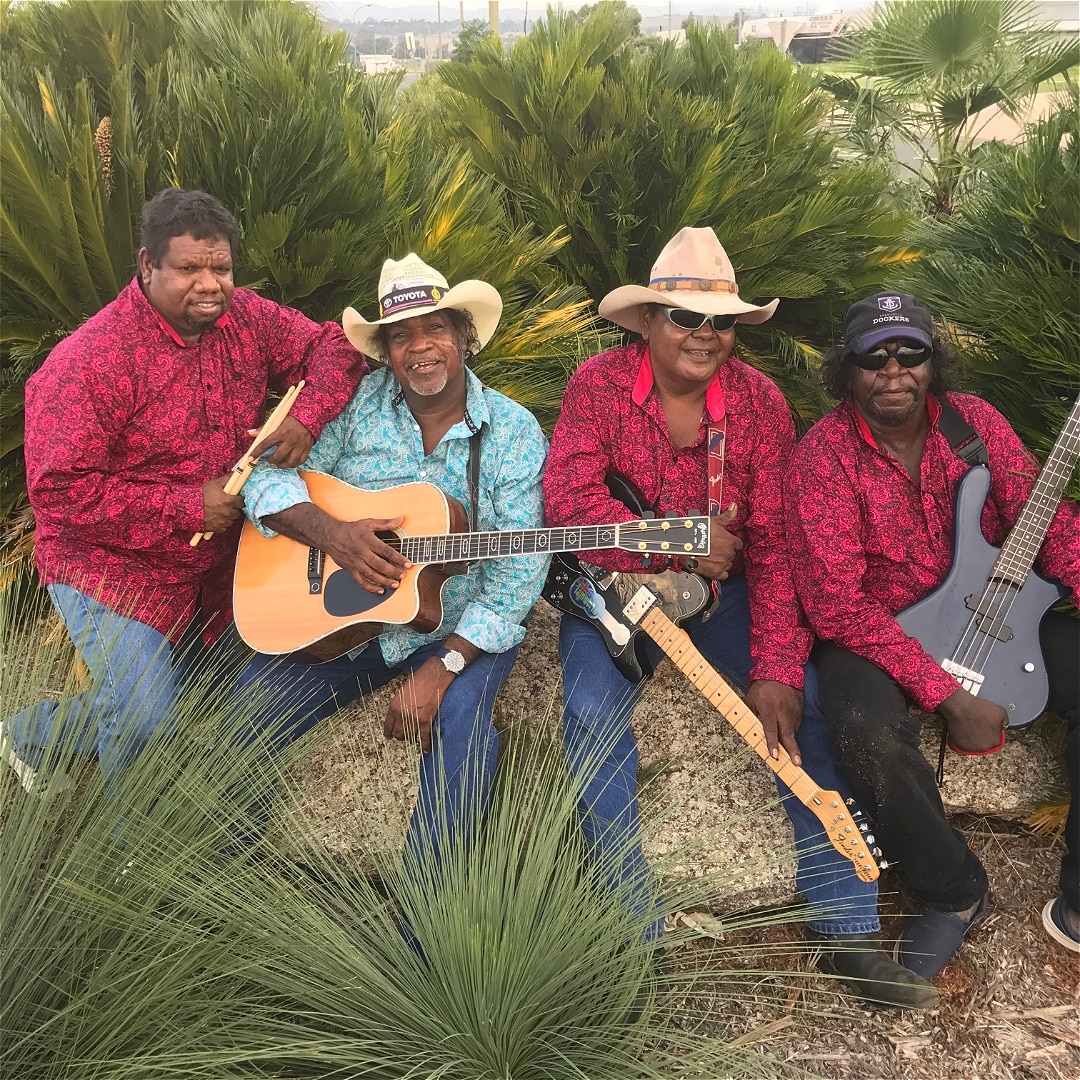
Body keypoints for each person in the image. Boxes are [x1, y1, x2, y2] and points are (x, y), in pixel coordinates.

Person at [542, 228, 938, 1008]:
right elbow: (567, 504)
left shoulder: (757, 404)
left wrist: (778, 668)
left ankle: (844, 928)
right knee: (589, 719)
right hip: (617, 592)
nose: (705, 337)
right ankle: (631, 935)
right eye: (687, 320)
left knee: (807, 719)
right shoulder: (596, 385)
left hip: (723, 601)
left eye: (721, 322)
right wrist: (682, 542)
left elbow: (778, 546)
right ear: (649, 322)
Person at [2, 187, 366, 793]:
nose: (209, 284)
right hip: (110, 564)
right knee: (146, 714)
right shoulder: (88, 362)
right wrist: (185, 505)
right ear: (147, 267)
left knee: (227, 699)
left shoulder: (245, 318)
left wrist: (308, 415)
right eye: (188, 268)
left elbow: (331, 346)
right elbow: (58, 492)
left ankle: (72, 758)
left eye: (220, 268)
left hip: (217, 562)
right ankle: (67, 776)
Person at [784, 292, 1079, 973]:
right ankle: (952, 890)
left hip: (992, 614)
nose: (895, 371)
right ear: (846, 369)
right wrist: (946, 693)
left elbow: (1048, 520)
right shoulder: (822, 457)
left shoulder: (972, 425)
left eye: (911, 352)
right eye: (874, 356)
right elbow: (836, 606)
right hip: (879, 631)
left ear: (932, 362)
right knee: (859, 726)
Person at [234, 253, 549, 872]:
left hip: (458, 626)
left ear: (466, 336)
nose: (420, 347)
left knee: (460, 730)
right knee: (242, 719)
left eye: (435, 328)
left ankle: (425, 925)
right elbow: (260, 483)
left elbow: (518, 574)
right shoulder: (352, 406)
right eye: (401, 335)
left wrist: (447, 664)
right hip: (345, 627)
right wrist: (333, 536)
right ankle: (233, 897)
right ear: (385, 351)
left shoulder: (512, 432)